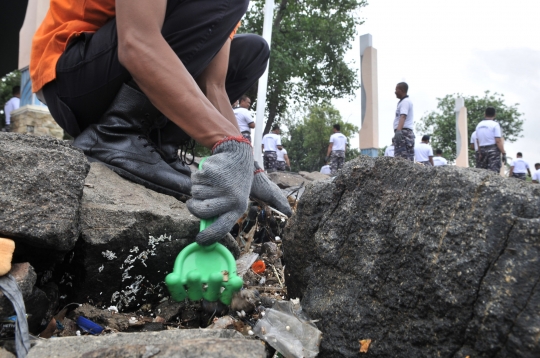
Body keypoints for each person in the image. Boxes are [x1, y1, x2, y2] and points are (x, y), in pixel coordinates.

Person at [30, 0, 292, 247]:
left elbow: (213, 86)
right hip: (74, 75)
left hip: (117, 73)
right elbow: (137, 42)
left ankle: (158, 143)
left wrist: (246, 163)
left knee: (254, 51)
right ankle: (117, 131)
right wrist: (226, 144)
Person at [475, 107, 506, 173]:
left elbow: (477, 140)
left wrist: (479, 152)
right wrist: (503, 152)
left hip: (482, 150)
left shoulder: (479, 125)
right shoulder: (495, 125)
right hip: (493, 151)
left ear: (485, 114)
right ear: (495, 115)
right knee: (493, 173)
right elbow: (498, 140)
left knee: (482, 172)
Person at [393, 82, 414, 161]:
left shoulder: (405, 102)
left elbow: (403, 116)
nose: (395, 92)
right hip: (404, 132)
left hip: (403, 132)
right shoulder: (403, 102)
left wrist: (398, 130)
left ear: (401, 90)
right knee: (404, 157)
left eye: (396, 90)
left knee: (402, 159)